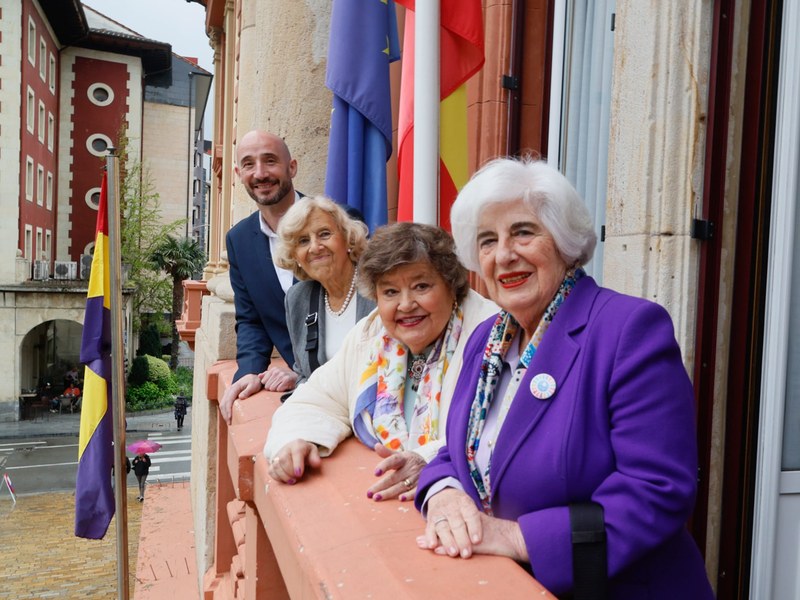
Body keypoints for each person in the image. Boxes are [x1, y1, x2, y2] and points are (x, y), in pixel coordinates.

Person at [413, 158, 714, 597]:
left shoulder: (628, 329)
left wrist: (516, 538)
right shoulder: (486, 340)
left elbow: (656, 490)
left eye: (523, 232)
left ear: (565, 241)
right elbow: (459, 451)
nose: (504, 255)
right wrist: (441, 493)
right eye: (487, 241)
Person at [264, 222, 498, 501]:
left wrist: (428, 459)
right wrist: (294, 441)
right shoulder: (371, 334)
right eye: (390, 292)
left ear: (451, 286)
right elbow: (313, 400)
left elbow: (497, 429)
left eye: (421, 286)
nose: (406, 304)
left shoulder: (491, 334)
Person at [220, 130, 305, 423]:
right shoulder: (238, 239)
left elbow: (356, 317)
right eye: (248, 164)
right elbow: (251, 319)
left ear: (291, 167)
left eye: (270, 161)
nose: (260, 173)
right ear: (238, 173)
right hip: (291, 395)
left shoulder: (334, 222)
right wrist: (250, 371)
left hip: (342, 381)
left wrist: (300, 370)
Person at [273, 196, 375, 387]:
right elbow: (304, 375)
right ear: (295, 256)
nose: (315, 247)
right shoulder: (298, 299)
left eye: (325, 234)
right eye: (303, 241)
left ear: (347, 239)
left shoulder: (379, 286)